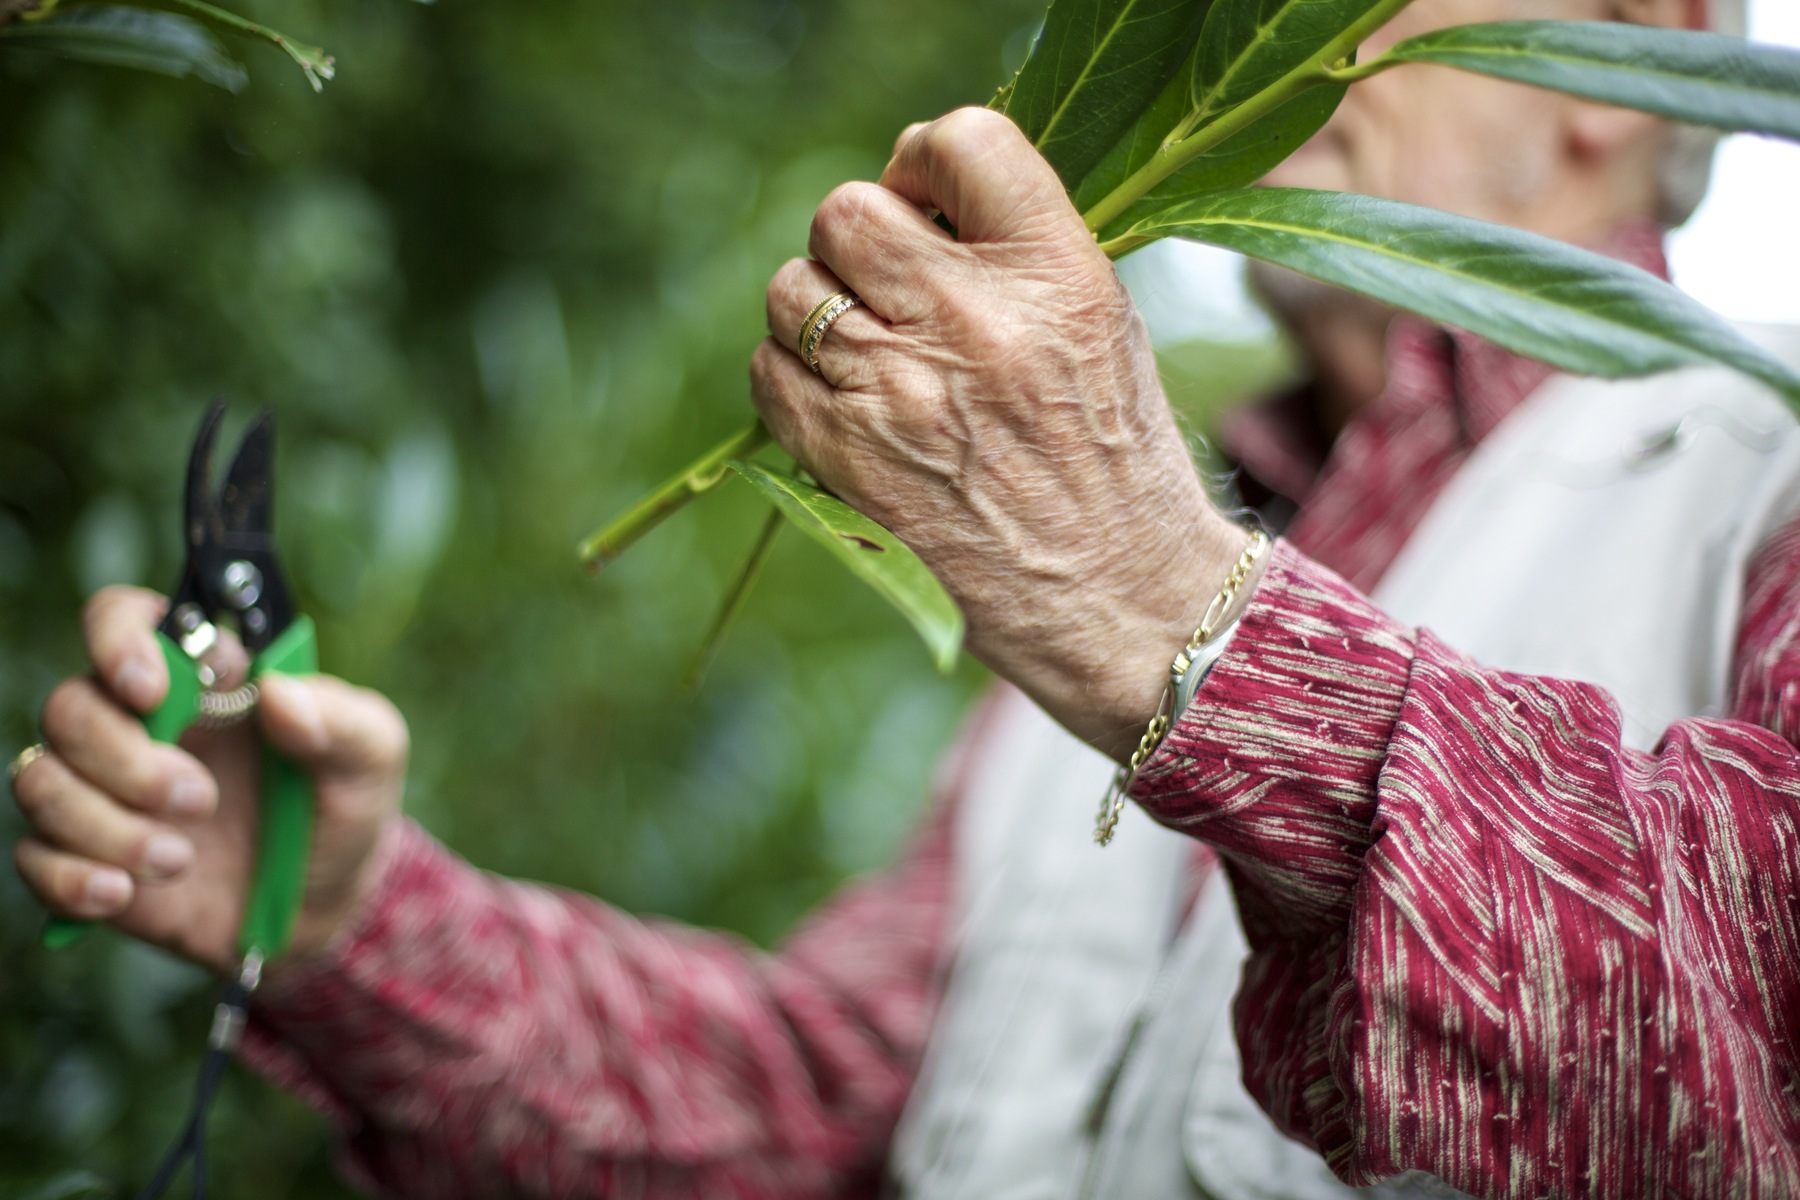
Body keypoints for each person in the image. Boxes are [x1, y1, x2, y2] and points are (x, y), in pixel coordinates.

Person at [12, 0, 1800, 1194]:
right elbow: (808, 1108)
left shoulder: (1763, 472)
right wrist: (348, 920)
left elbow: (1760, 1030)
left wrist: (1177, 614)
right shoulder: (1115, 573)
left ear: (1623, 42)